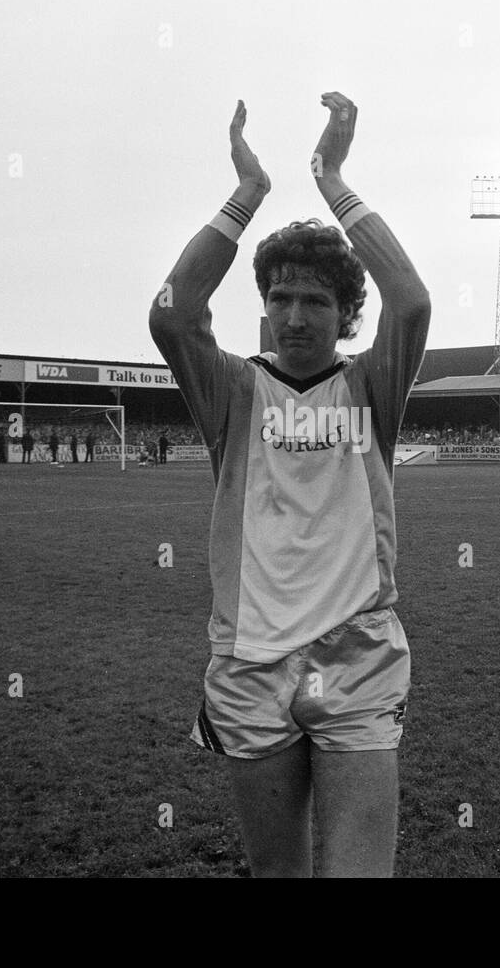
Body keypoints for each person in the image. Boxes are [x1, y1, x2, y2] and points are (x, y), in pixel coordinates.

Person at [150, 93, 430, 877]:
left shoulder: (373, 385)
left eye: (316, 299)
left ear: (345, 314)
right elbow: (172, 316)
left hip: (358, 658)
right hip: (249, 663)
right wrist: (249, 193)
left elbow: (411, 300)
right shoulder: (233, 391)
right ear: (263, 305)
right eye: (280, 297)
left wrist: (331, 177)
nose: (295, 314)